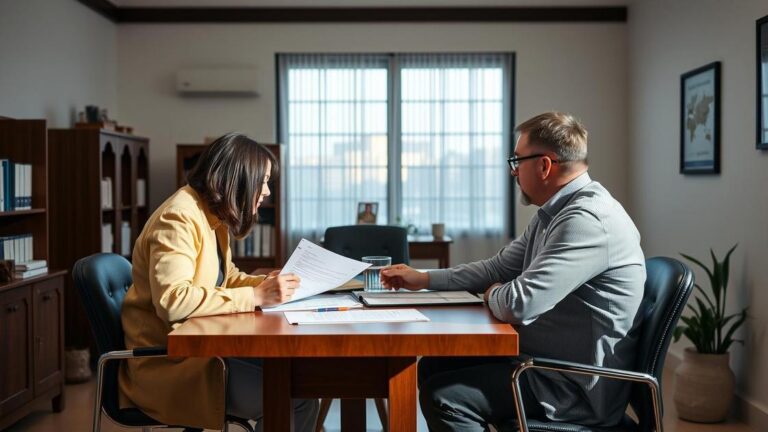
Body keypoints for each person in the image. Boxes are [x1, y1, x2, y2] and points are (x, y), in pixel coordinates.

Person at [381, 112, 645, 430]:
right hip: (545, 363)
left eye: (517, 160)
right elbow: (500, 267)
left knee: (444, 397)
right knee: (435, 366)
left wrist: (493, 291)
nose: (513, 171)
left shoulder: (586, 221)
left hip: (572, 386)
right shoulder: (554, 212)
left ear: (544, 165)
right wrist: (423, 278)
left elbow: (517, 304)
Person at [120, 133, 318, 430]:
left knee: (298, 381)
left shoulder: (210, 215)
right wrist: (256, 297)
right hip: (172, 367)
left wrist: (264, 283)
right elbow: (173, 301)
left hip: (200, 354)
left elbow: (226, 278)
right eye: (262, 181)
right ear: (237, 179)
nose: (266, 192)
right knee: (296, 397)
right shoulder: (178, 217)